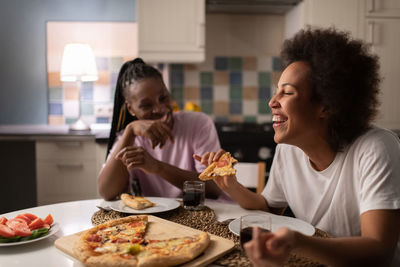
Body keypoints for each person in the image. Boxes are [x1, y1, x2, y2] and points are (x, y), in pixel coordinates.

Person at [195, 28, 400, 266]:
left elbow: (379, 249)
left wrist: (297, 242)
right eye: (276, 92)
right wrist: (231, 185)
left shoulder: (375, 148)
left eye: (287, 93)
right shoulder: (289, 148)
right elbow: (269, 208)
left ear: (326, 106)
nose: (272, 102)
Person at [98, 58, 223, 201]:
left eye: (163, 97)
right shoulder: (130, 138)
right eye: (146, 105)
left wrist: (158, 167)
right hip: (164, 219)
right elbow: (107, 192)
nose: (159, 109)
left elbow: (214, 188)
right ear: (131, 108)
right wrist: (129, 131)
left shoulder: (199, 124)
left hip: (211, 213)